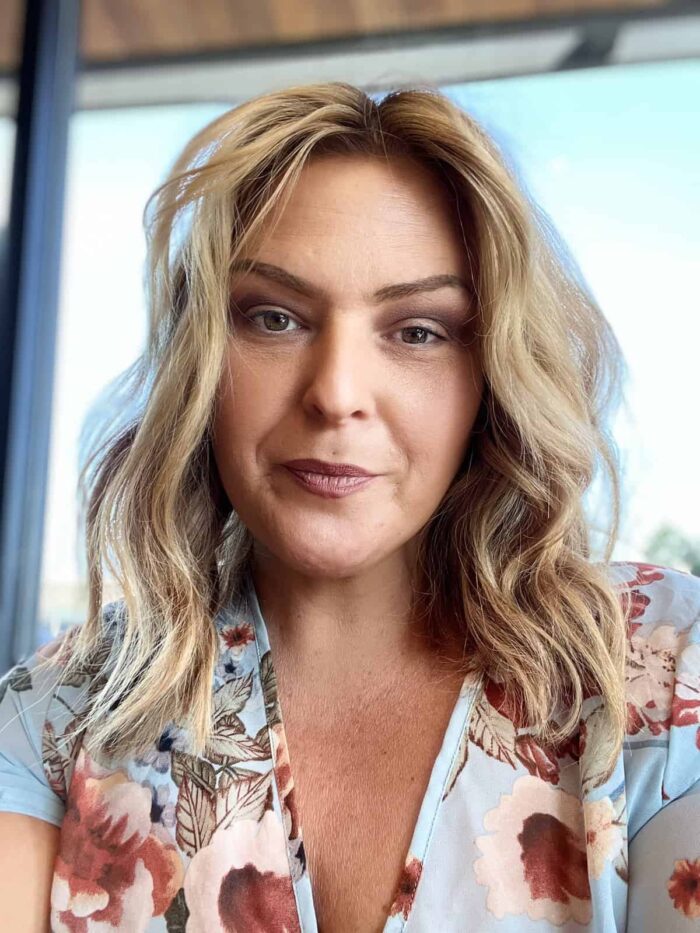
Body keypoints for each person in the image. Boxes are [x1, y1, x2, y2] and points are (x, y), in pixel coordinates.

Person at [0, 81, 698, 933]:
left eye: (417, 330)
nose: (335, 393)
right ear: (201, 360)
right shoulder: (55, 717)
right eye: (275, 318)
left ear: (492, 376)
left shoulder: (663, 675)